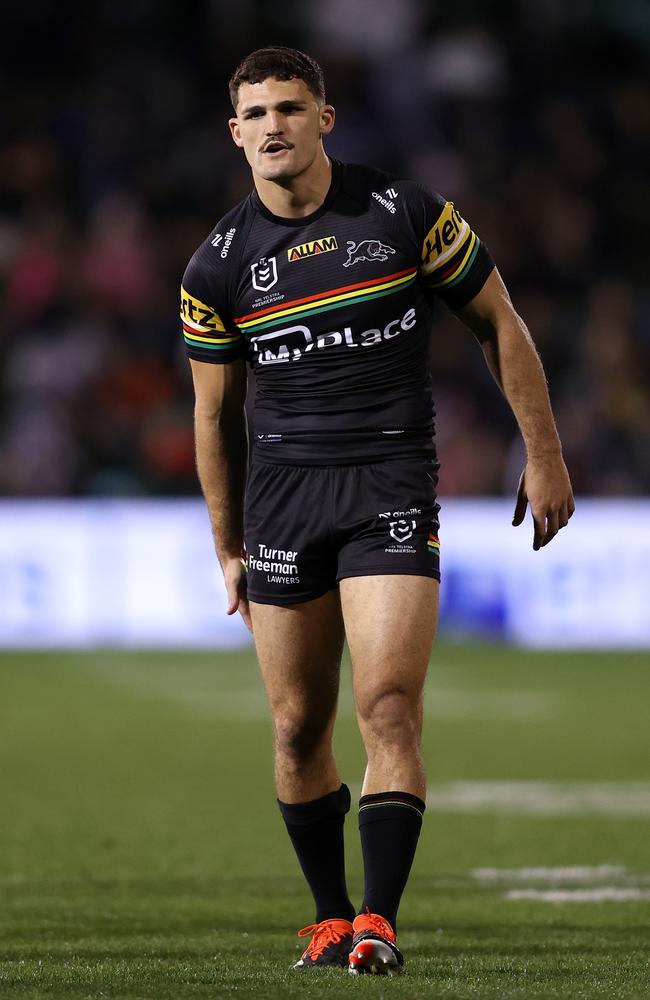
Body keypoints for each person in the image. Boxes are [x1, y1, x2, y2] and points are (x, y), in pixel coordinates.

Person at [181, 45, 575, 976]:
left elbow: (500, 323)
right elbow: (212, 417)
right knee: (295, 728)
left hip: (389, 488)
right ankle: (327, 915)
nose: (274, 125)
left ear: (326, 117)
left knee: (389, 707)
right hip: (283, 507)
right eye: (257, 114)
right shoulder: (218, 265)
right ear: (235, 135)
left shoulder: (405, 213)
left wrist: (547, 453)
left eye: (292, 106)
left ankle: (377, 921)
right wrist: (228, 545)